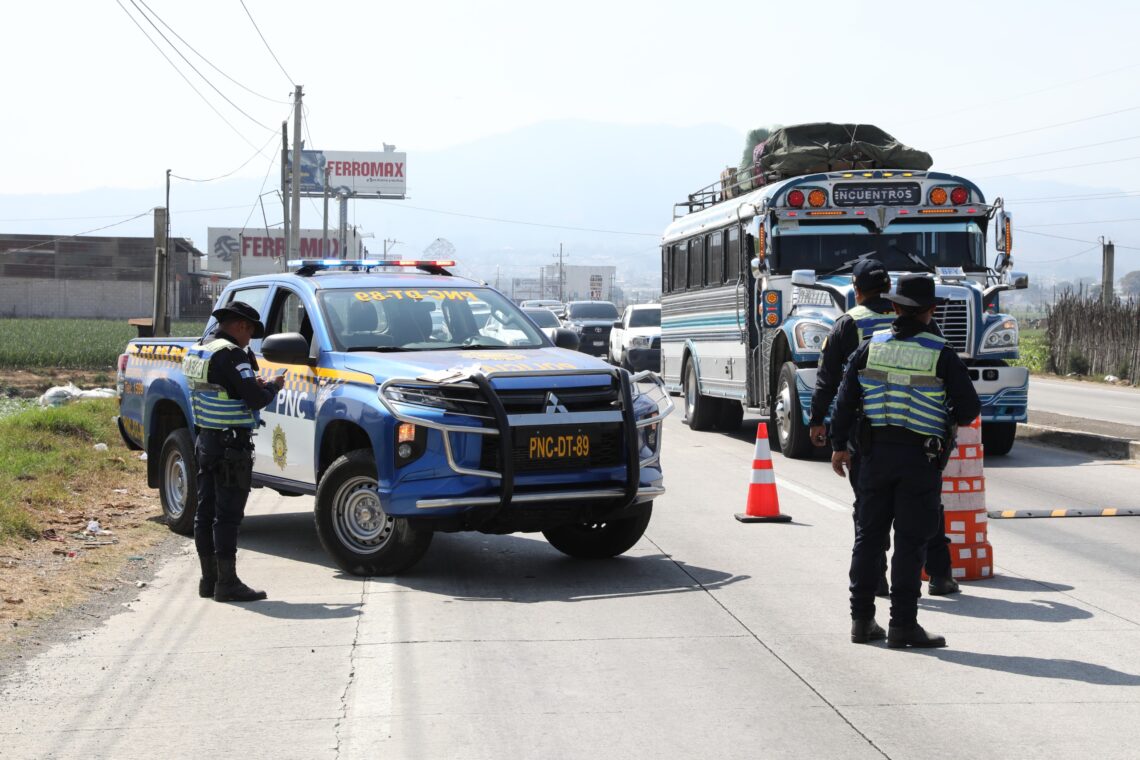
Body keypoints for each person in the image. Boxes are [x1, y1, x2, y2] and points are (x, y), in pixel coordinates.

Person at [830, 274, 980, 649]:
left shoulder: (869, 348)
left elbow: (845, 401)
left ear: (894, 307)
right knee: (910, 543)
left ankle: (861, 621)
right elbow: (969, 409)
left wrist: (839, 446)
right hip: (919, 460)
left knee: (868, 539)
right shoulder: (942, 354)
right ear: (931, 311)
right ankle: (902, 626)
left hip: (873, 456)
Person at [809, 259, 960, 599]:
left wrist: (820, 422)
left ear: (856, 289)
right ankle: (939, 575)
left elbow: (829, 379)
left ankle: (875, 581)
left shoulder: (849, 324)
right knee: (926, 507)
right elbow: (949, 374)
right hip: (921, 433)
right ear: (890, 290)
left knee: (870, 513)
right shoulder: (921, 321)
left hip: (868, 433)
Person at [183, 301, 284, 602]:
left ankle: (209, 580)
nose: (249, 341)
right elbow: (254, 399)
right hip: (231, 446)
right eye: (250, 334)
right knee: (227, 515)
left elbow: (224, 387)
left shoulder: (200, 349)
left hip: (206, 440)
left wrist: (252, 384)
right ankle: (227, 584)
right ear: (241, 326)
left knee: (205, 512)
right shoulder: (232, 354)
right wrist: (273, 387)